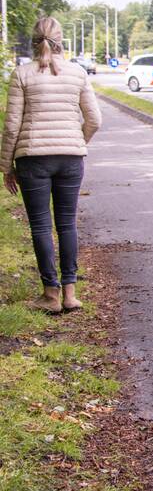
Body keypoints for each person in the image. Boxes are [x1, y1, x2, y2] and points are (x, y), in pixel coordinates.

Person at [1, 17, 102, 313]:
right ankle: (70, 293)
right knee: (67, 223)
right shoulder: (77, 73)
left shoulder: (21, 74)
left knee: (41, 226)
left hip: (32, 159)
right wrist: (76, 141)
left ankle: (50, 295)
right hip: (70, 159)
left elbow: (11, 126)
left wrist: (6, 166)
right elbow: (94, 120)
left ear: (33, 41)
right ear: (61, 40)